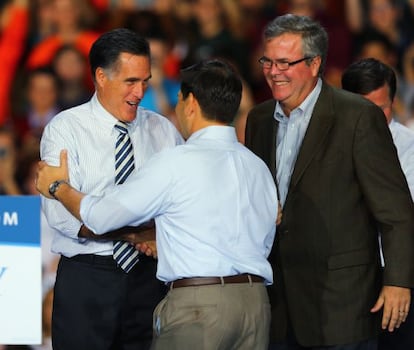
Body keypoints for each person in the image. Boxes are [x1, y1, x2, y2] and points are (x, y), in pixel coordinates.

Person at [36, 59, 279, 350]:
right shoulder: (258, 167)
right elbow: (267, 235)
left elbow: (100, 217)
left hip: (198, 307)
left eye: (178, 98)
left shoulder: (176, 162)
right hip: (255, 306)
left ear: (190, 104)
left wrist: (57, 187)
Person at [244, 14, 414, 349]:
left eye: (284, 62)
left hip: (343, 304)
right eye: (268, 61)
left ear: (314, 62)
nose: (273, 72)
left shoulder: (358, 116)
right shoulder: (259, 119)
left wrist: (398, 281)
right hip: (279, 303)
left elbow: (396, 211)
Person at [39, 28, 183, 350]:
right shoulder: (65, 129)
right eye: (130, 82)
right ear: (101, 77)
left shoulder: (163, 130)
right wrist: (134, 234)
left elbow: (183, 203)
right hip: (87, 278)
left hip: (149, 279)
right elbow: (61, 217)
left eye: (145, 80)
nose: (140, 91)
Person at [341, 57, 414, 350]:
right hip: (343, 278)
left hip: (394, 273)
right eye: (363, 107)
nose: (371, 116)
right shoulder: (329, 143)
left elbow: (402, 213)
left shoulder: (409, 147)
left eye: (380, 108)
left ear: (394, 103)